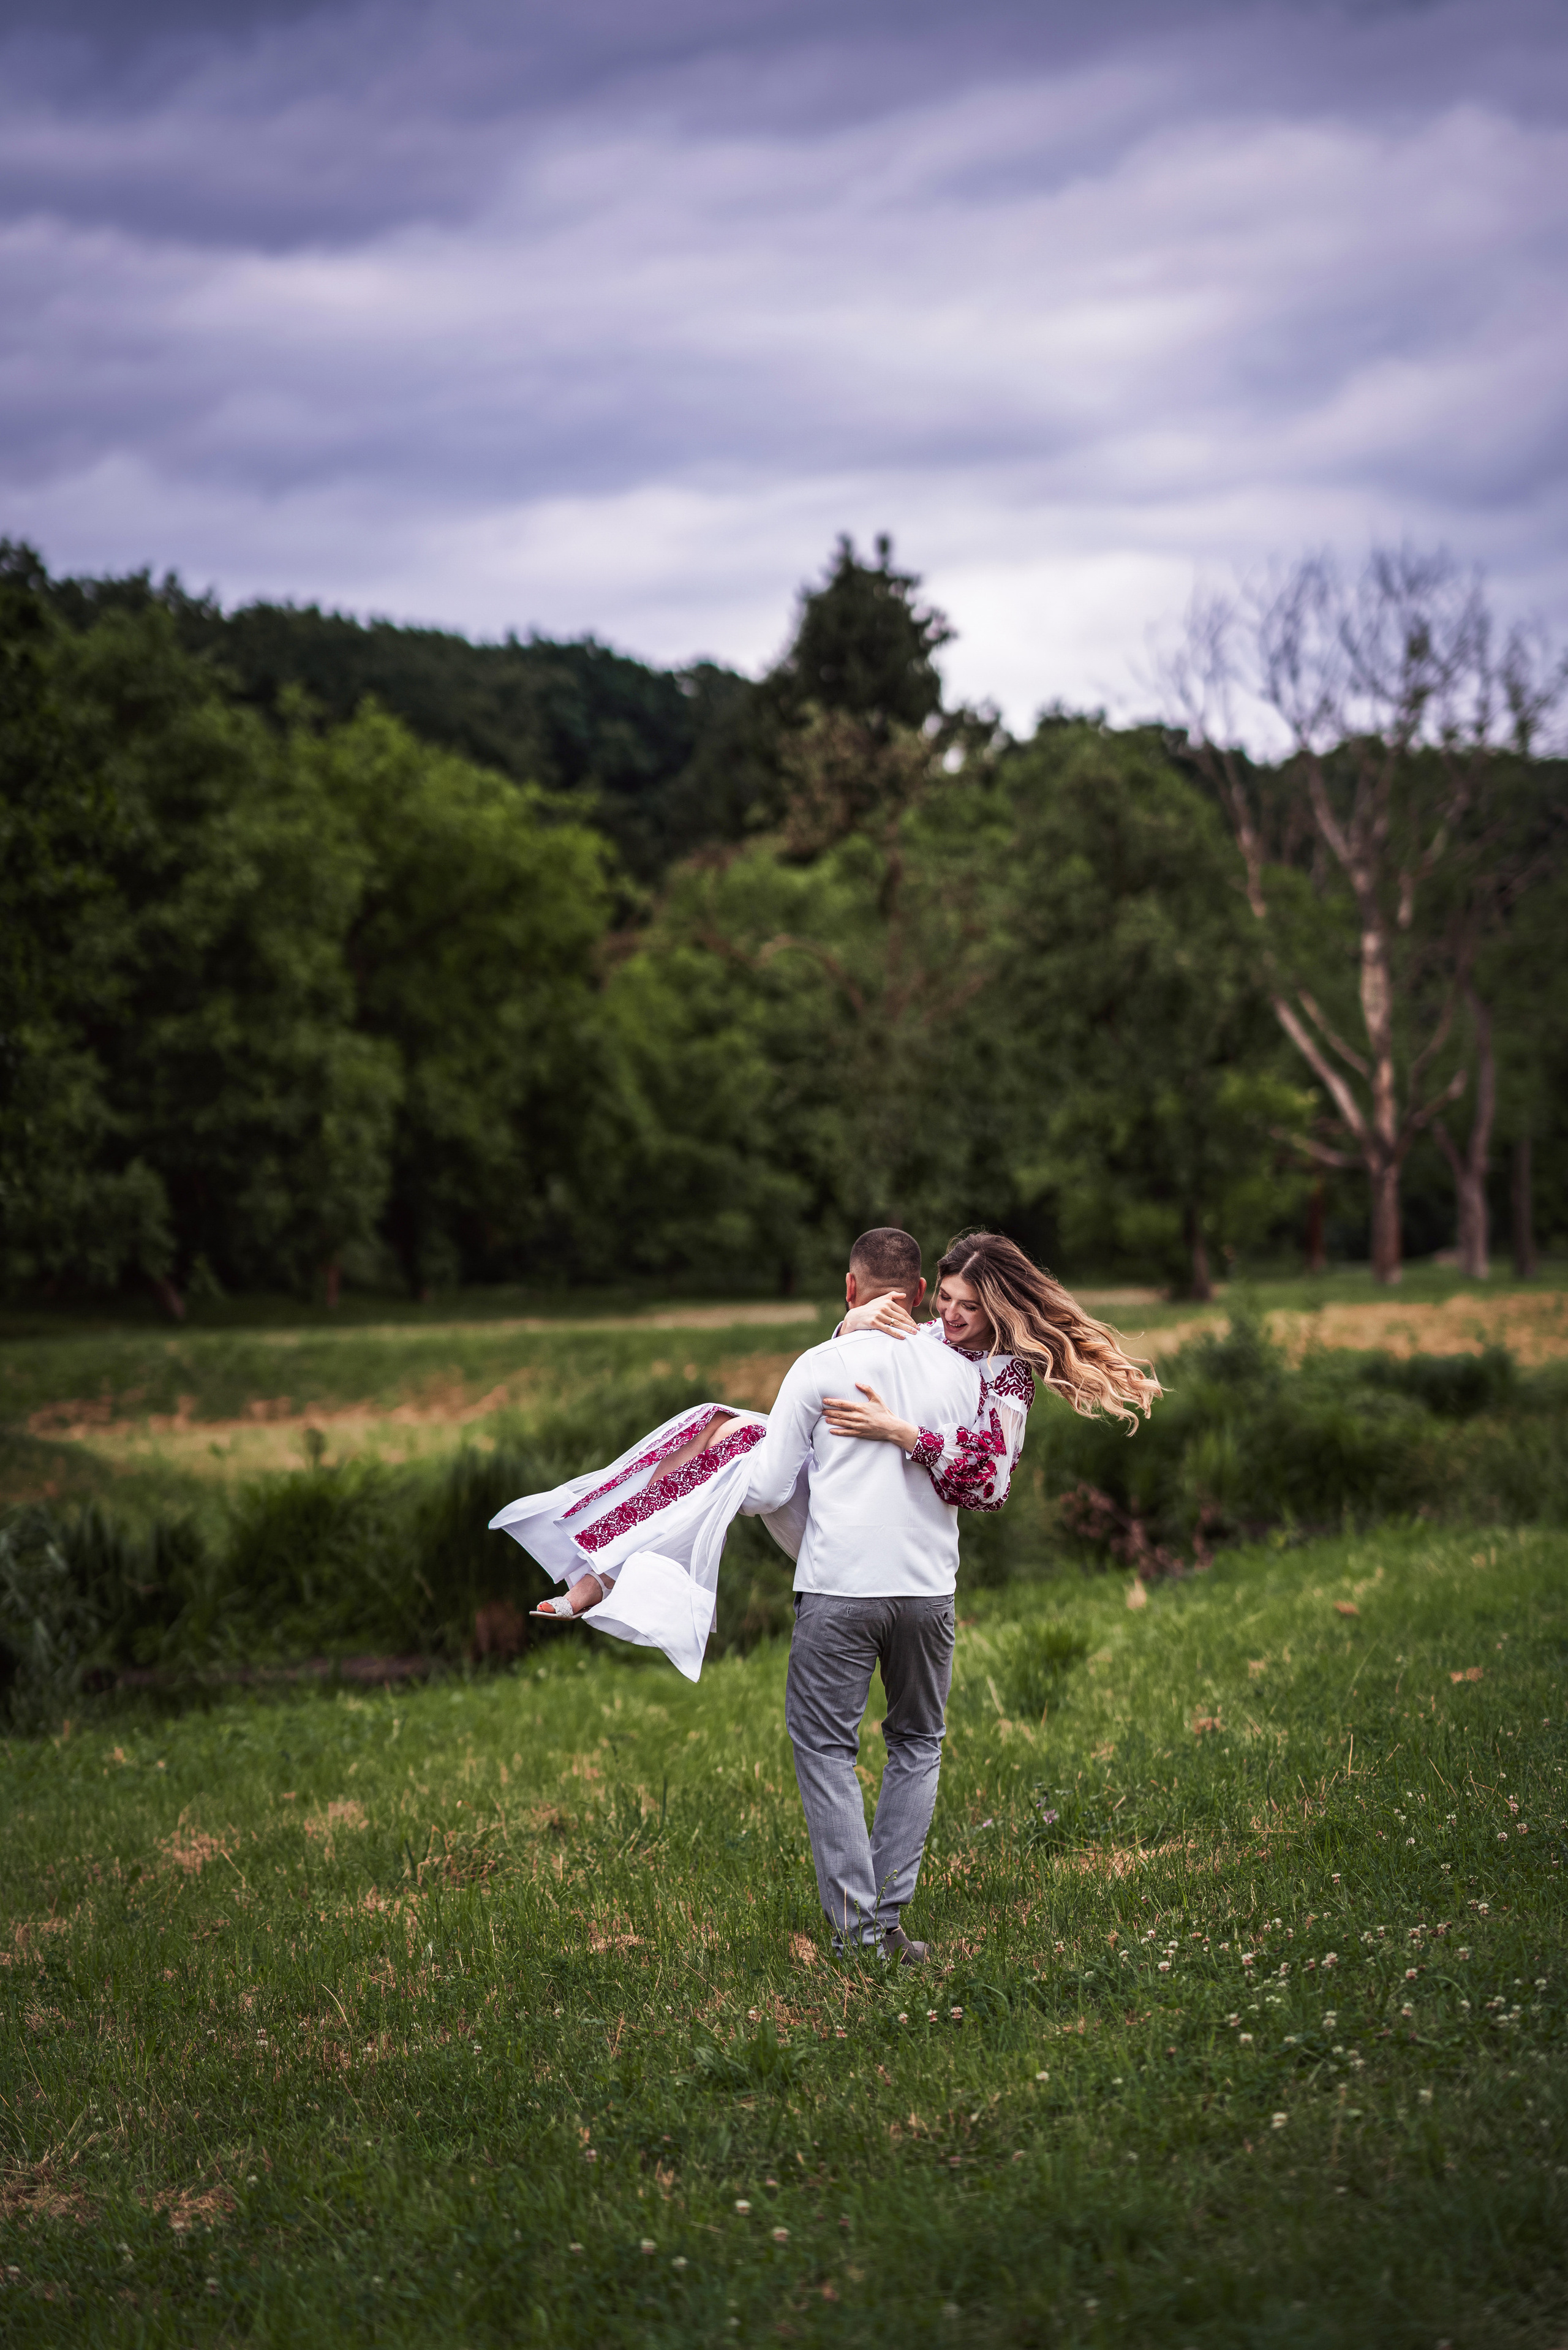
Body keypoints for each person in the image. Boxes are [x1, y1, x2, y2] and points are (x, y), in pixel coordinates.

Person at [489, 1225, 1156, 1965]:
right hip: (925, 1593)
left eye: (970, 1306)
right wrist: (851, 1343)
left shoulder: (945, 1370)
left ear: (851, 1286)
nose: (956, 1316)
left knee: (826, 1741)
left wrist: (891, 1430)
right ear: (921, 1295)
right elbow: (901, 1360)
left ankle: (863, 1932)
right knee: (915, 1745)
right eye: (949, 1302)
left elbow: (978, 1483)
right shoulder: (956, 1366)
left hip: (838, 1585)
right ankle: (881, 1929)